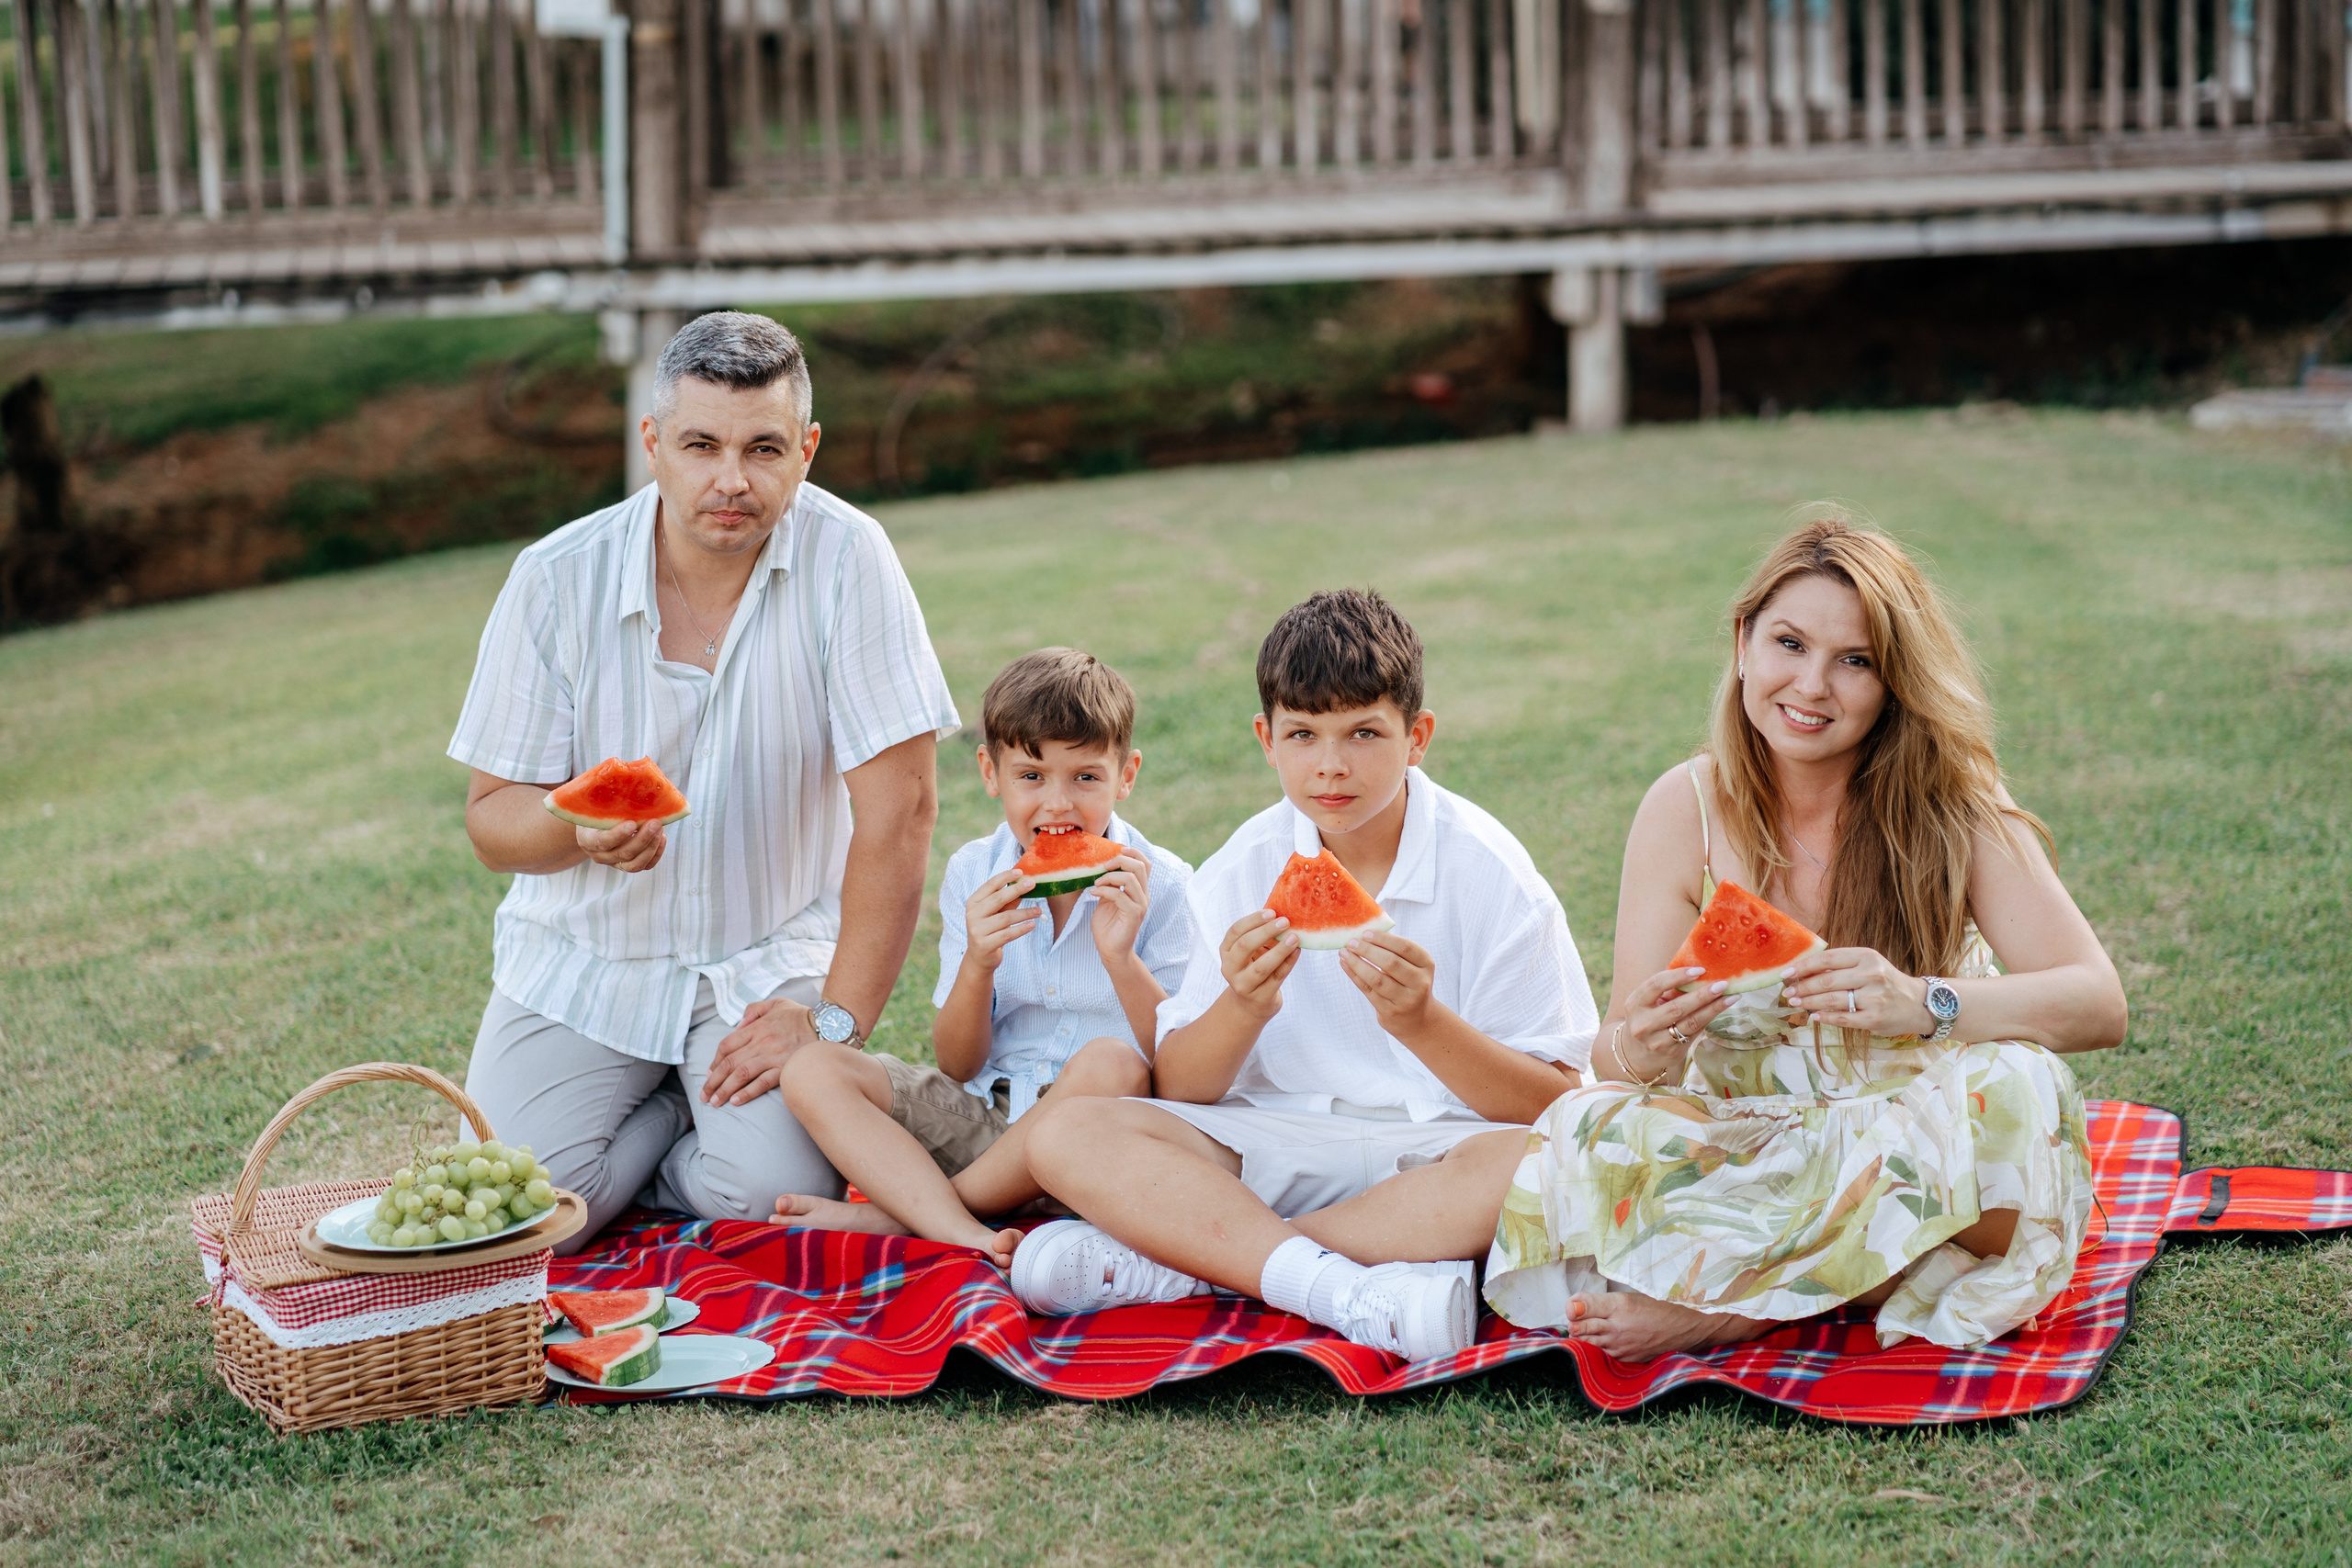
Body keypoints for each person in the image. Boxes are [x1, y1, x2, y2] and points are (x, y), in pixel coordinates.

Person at [1264, 511, 2128, 1361]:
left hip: (1912, 1125)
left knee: (2020, 1086)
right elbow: (1621, 1062)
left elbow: (2097, 1002)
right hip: (1738, 1133)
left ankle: (1734, 1304)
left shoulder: (1955, 806)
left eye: (1854, 661)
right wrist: (1642, 1041)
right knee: (1585, 1128)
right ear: (1745, 640)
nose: (1812, 685)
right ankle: (1263, 1250)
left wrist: (1924, 1001)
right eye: (1790, 644)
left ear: (1893, 680)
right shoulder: (1686, 806)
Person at [447, 310, 961, 1252]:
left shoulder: (852, 562)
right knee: (531, 1224)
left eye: (764, 448)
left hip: (764, 960)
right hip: (582, 965)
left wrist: (830, 1018)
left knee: (760, 1197)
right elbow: (490, 824)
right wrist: (575, 825)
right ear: (652, 444)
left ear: (806, 450)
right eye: (700, 445)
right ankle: (666, 1117)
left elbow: (902, 814)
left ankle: (695, 1135)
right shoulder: (554, 579)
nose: (732, 480)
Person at [1006, 589, 1600, 1361]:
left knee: (1564, 1159)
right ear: (1266, 738)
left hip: (1440, 1158)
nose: (1331, 764)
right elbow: (1181, 1087)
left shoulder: (1491, 872)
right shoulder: (1244, 866)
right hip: (1272, 1149)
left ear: (1417, 737)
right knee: (1067, 1132)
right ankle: (1342, 1285)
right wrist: (1242, 1005)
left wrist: (1424, 1024)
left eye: (1363, 733)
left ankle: (1194, 1263)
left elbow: (1557, 1100)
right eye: (1303, 734)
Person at [764, 649, 1193, 1268]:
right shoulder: (974, 871)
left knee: (1112, 1062)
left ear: (1126, 775)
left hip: (1095, 1138)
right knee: (813, 1069)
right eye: (1031, 776)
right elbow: (956, 1060)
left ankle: (915, 1216)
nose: (1057, 805)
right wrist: (979, 964)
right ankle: (965, 1218)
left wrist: (1121, 958)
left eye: (1086, 777)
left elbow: (1179, 1070)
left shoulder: (1168, 884)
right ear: (990, 773)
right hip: (988, 1111)